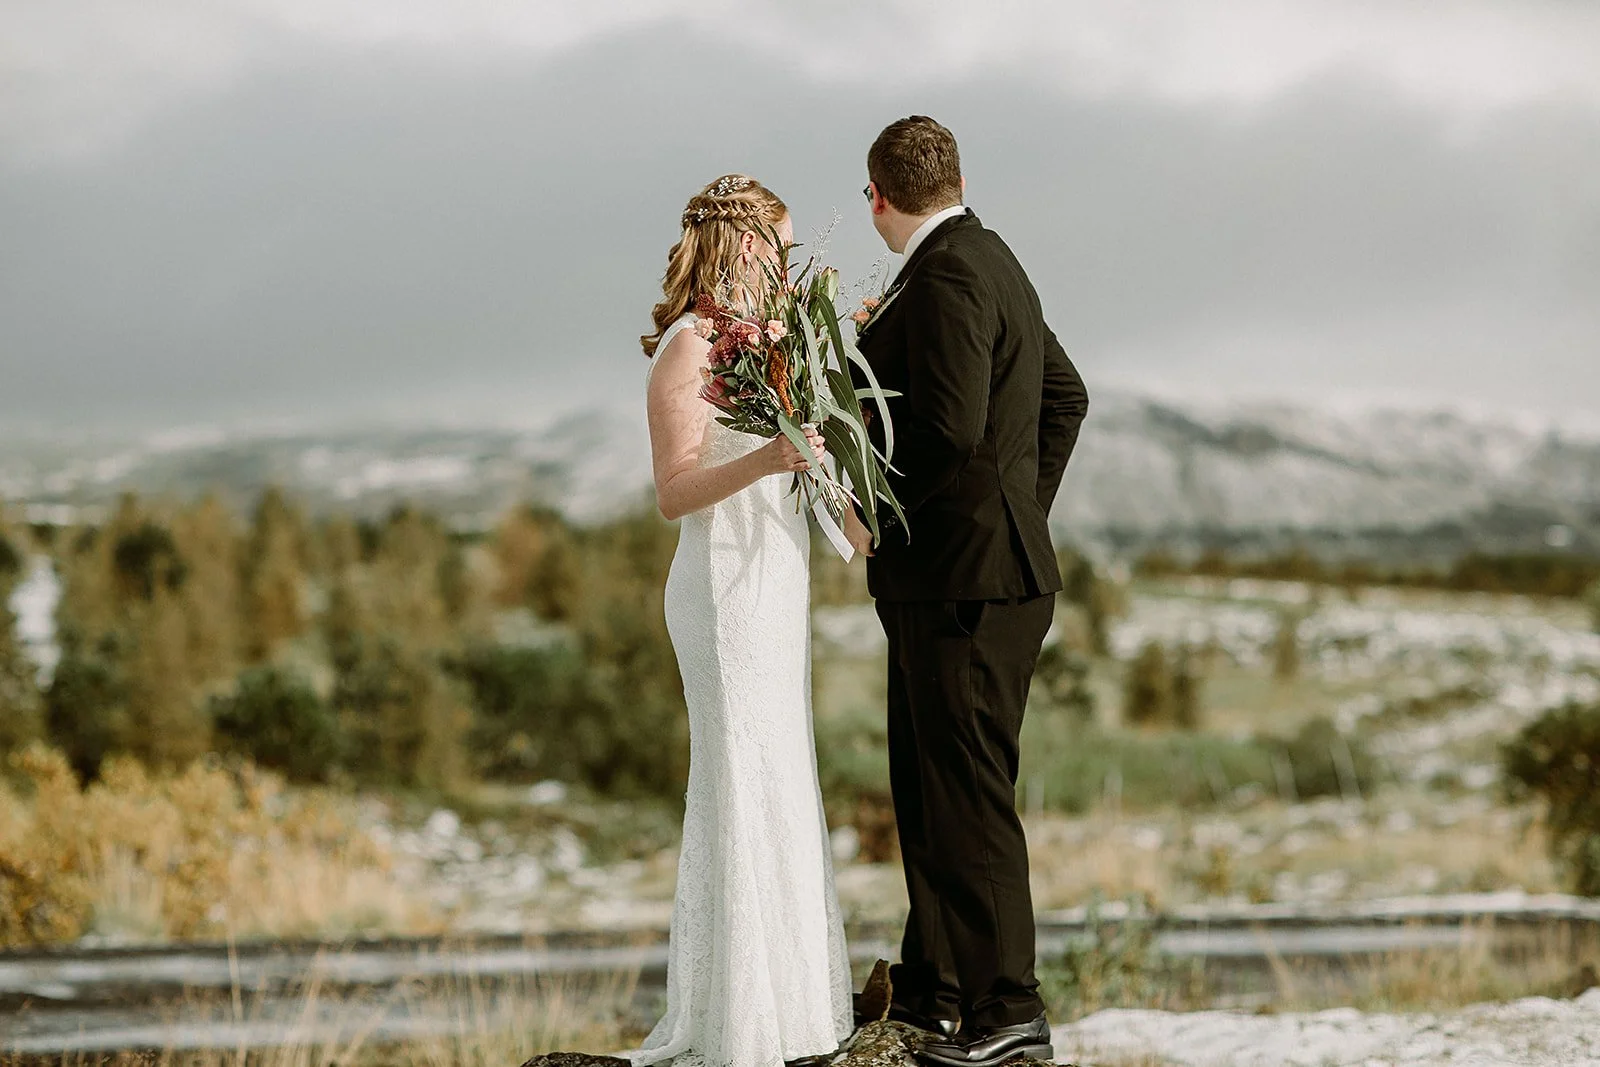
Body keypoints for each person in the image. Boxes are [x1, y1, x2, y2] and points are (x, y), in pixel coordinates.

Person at [841, 116, 1090, 1067]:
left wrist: (878, 512)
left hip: (964, 580)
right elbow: (1064, 395)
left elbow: (945, 430)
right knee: (932, 785)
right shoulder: (995, 258)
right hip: (982, 572)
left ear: (878, 197)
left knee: (968, 796)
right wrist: (1019, 509)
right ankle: (933, 992)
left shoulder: (945, 273)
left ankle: (1008, 1007)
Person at [622, 173, 853, 1067]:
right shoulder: (687, 346)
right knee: (740, 778)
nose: (788, 264)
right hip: (720, 589)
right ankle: (736, 1022)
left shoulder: (768, 343)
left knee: (782, 770)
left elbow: (800, 460)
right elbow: (675, 491)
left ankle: (794, 1012)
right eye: (780, 246)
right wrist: (766, 458)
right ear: (741, 243)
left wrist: (841, 507)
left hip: (775, 578)